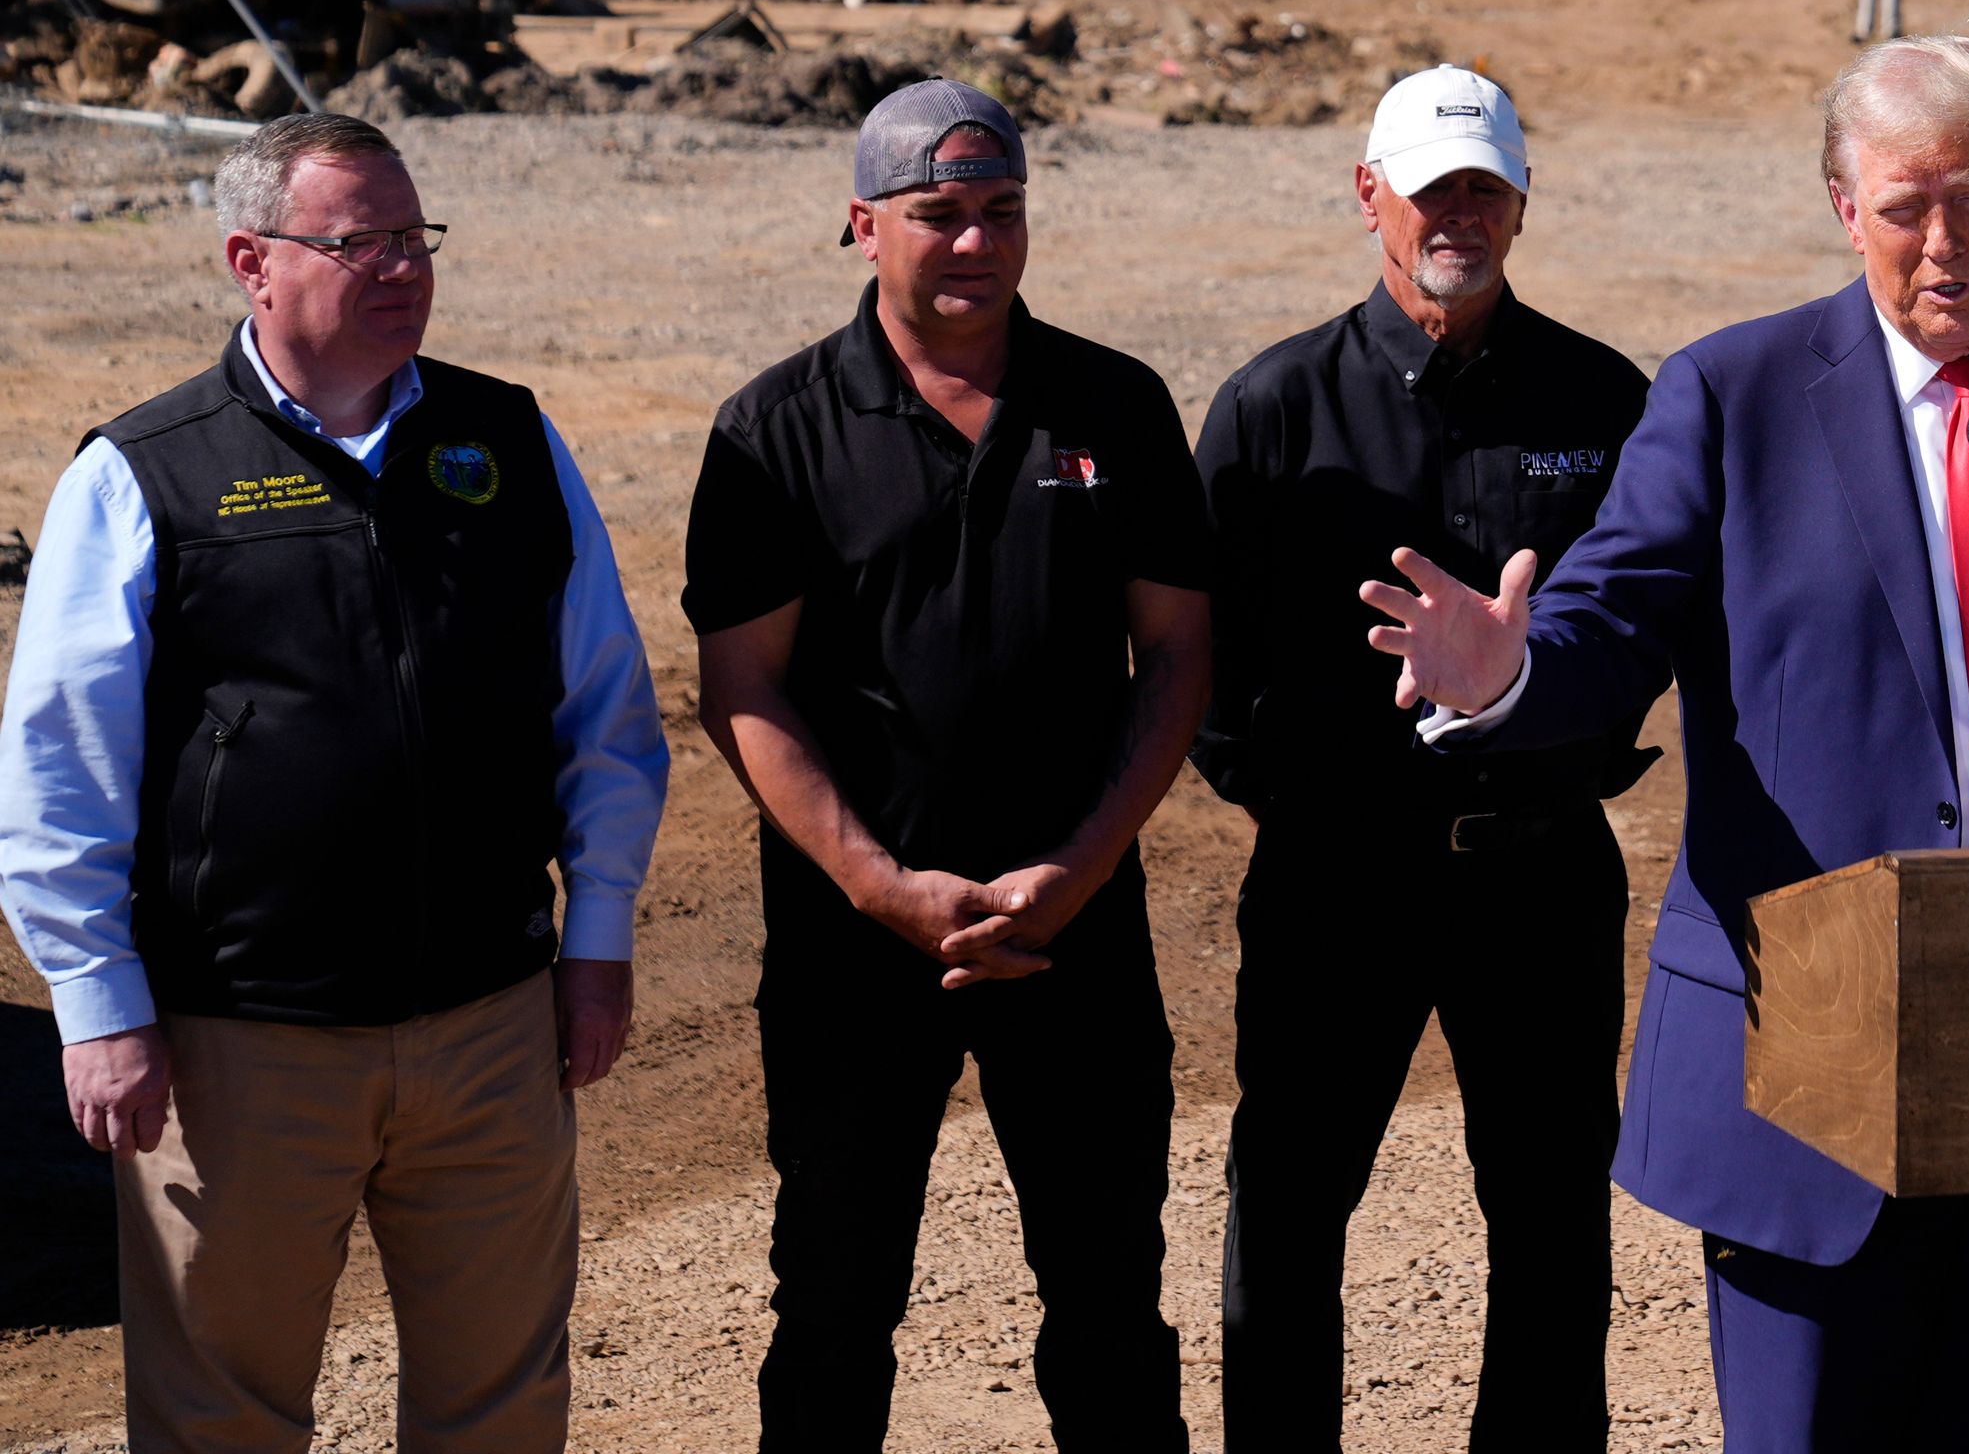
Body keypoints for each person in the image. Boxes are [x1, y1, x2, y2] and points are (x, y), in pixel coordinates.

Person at [1362, 35, 1969, 1454]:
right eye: (1904, 205)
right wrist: (1511, 675)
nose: (1941, 242)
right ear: (1843, 206)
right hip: (1810, 1057)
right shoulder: (1734, 394)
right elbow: (1612, 618)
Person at [0, 110, 670, 1454]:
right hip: (237, 1050)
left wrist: (596, 940)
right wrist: (97, 1004)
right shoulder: (143, 475)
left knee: (502, 1408)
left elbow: (606, 712)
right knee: (220, 1420)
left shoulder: (508, 443)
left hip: (489, 1029)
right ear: (253, 260)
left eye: (416, 240)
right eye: (361, 244)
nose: (404, 270)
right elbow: (59, 768)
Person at [683, 79, 1215, 1452]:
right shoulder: (775, 431)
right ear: (864, 225)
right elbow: (739, 686)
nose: (974, 244)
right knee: (836, 1307)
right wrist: (881, 886)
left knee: (1109, 1307)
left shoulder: (1113, 403)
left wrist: (1078, 869)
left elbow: (1175, 656)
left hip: (1077, 935)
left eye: (1001, 213)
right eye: (938, 217)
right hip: (852, 949)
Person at [1195, 68, 1656, 1451]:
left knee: (1555, 1222)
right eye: (1430, 185)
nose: (1458, 212)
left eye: (1483, 186)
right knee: (1287, 1210)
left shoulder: (1607, 399)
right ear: (1367, 197)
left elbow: (1649, 628)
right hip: (1340, 881)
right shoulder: (1274, 408)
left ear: (1520, 201)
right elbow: (1206, 674)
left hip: (1542, 881)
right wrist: (1324, 803)